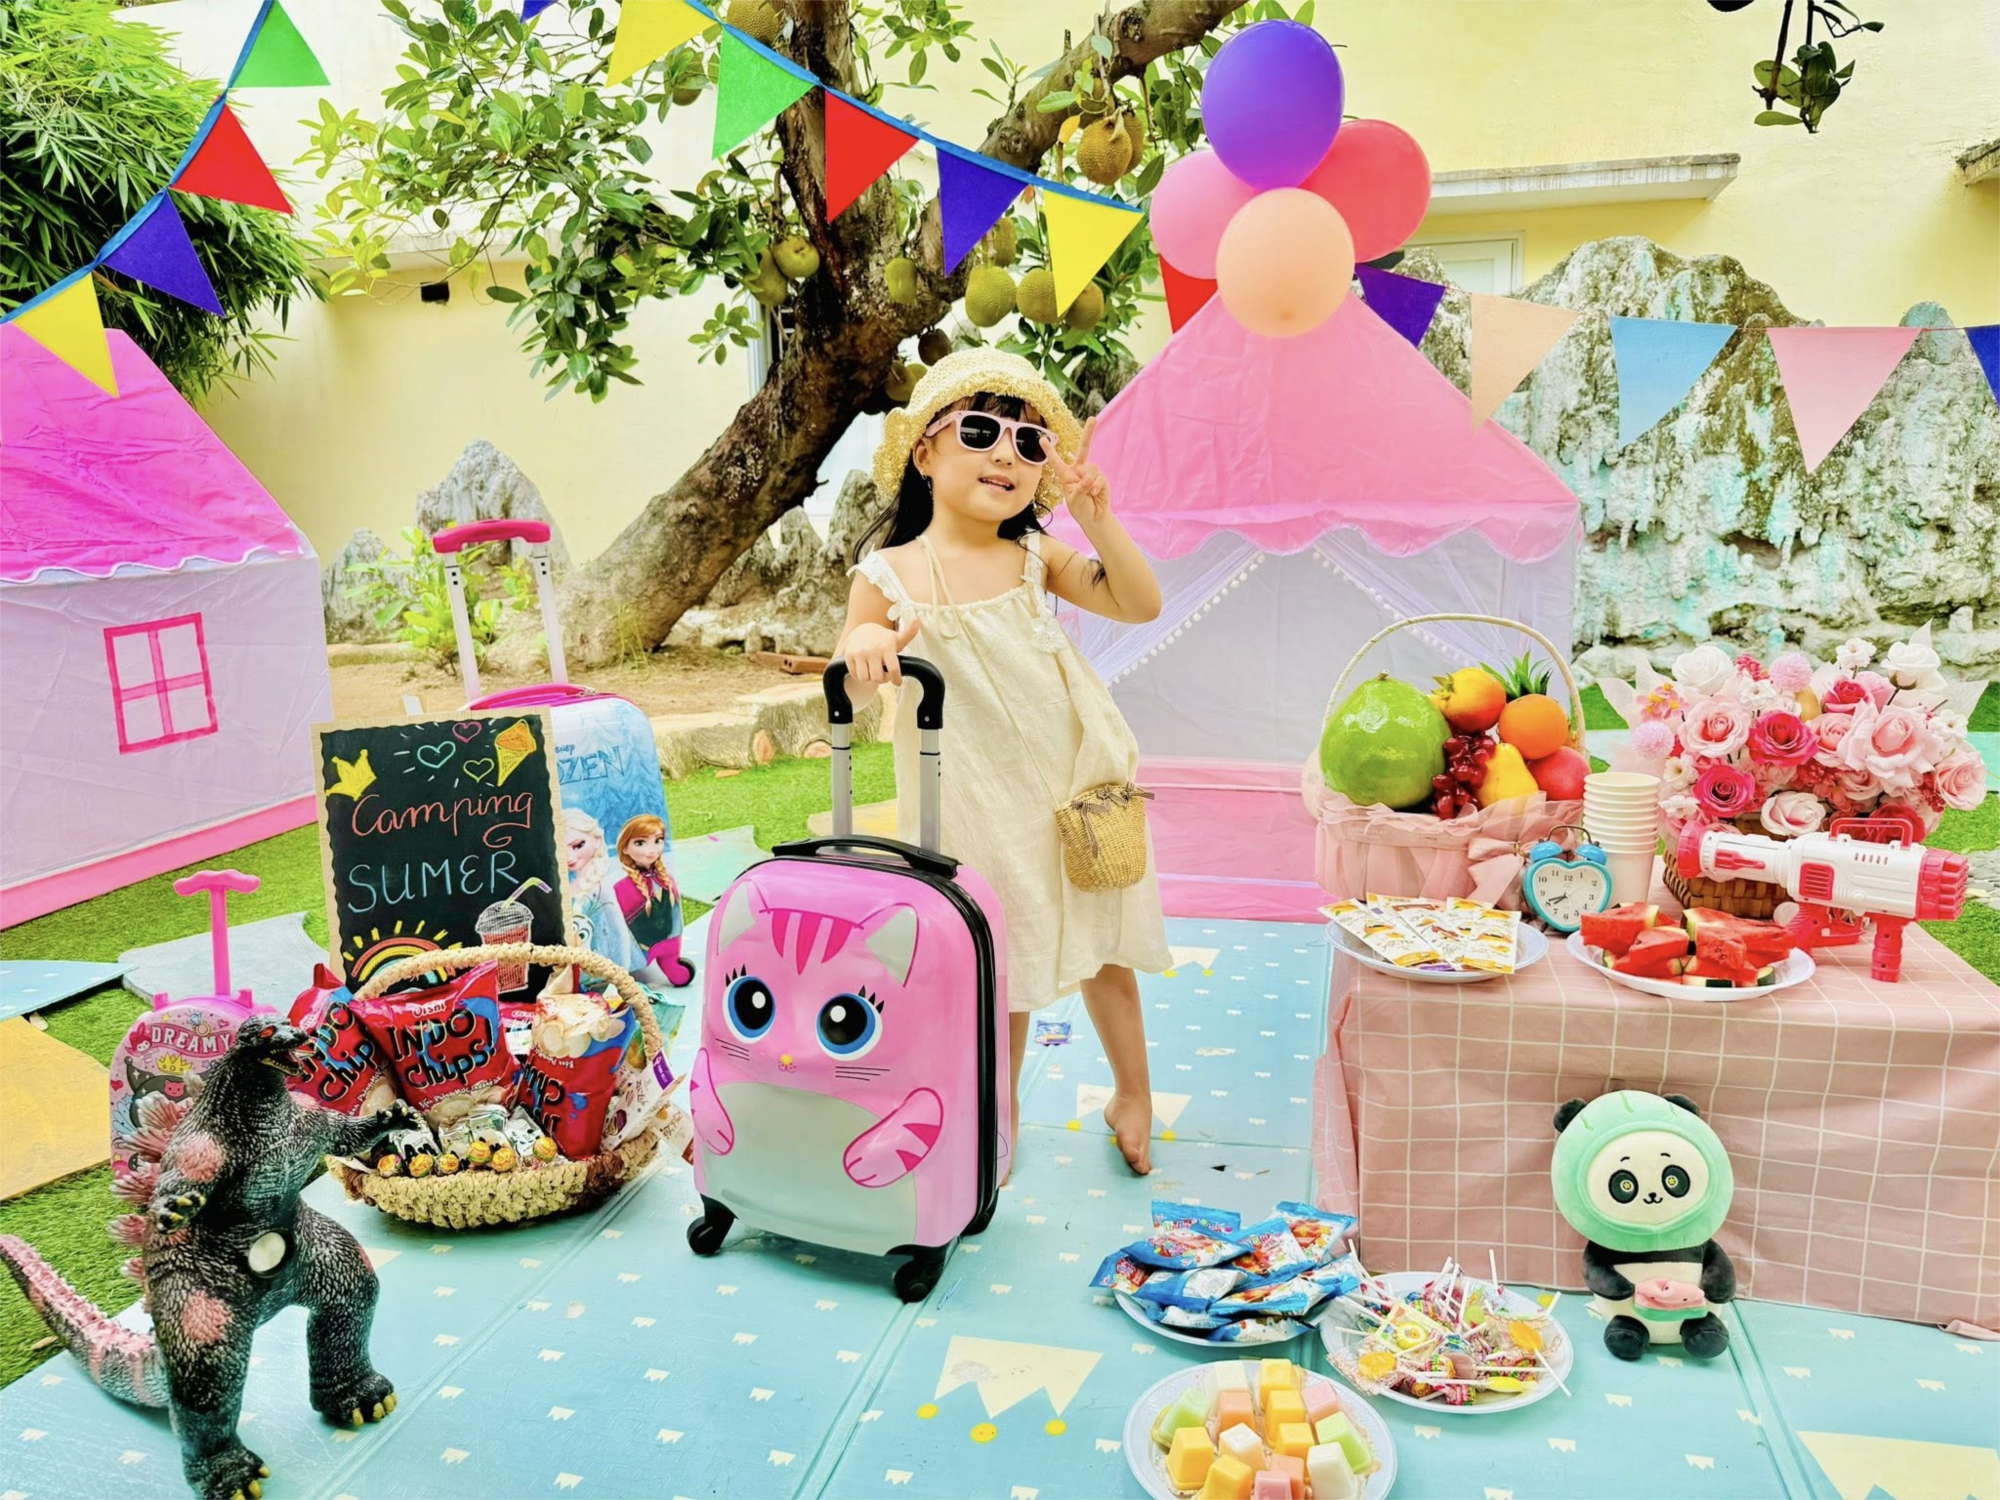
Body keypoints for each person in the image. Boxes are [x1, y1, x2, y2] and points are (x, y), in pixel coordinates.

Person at [838, 348, 1172, 1176]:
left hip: (1072, 783)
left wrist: (1097, 519)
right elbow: (852, 664)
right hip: (973, 801)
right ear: (925, 453)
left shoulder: (1037, 556)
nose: (1008, 456)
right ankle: (1001, 1109)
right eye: (981, 432)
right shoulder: (888, 574)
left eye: (1029, 444)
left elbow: (1139, 603)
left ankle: (1133, 1091)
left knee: (1105, 942)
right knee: (1003, 962)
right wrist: (871, 643)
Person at [615, 814, 695, 988]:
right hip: (641, 947)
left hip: (669, 940)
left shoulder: (666, 879)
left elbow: (674, 914)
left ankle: (670, 964)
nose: (651, 850)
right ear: (625, 848)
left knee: (676, 970)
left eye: (658, 841)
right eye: (640, 843)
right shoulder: (622, 888)